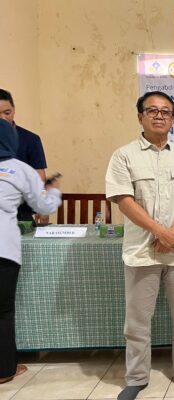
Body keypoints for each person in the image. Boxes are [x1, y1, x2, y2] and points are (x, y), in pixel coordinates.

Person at [105, 91, 174, 400]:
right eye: (152, 110)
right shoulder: (124, 155)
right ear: (140, 116)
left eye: (166, 111)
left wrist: (173, 232)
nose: (159, 115)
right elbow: (123, 200)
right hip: (141, 252)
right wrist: (158, 232)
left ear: (173, 118)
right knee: (137, 322)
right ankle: (137, 377)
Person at [0, 119, 62, 385]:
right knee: (2, 311)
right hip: (3, 248)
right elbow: (44, 206)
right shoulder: (19, 169)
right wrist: (54, 190)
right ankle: (4, 370)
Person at [0, 89, 49, 225]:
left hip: (22, 214)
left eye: (7, 113)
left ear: (14, 110)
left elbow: (39, 177)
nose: (3, 118)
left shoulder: (30, 139)